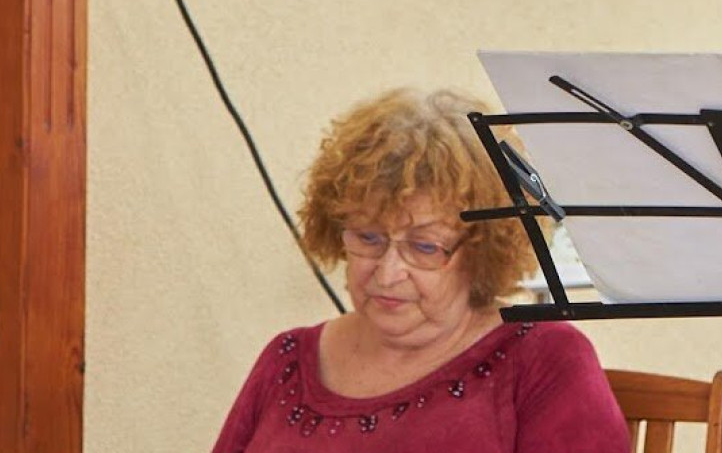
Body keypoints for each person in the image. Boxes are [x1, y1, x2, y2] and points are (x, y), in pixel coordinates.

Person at [214, 89, 629, 452]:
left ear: (483, 251)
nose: (388, 273)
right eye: (368, 238)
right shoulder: (286, 359)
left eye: (425, 246)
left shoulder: (544, 360)